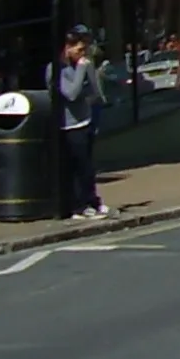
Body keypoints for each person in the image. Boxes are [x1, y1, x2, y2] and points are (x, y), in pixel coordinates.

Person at [52, 30, 107, 219]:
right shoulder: (56, 70)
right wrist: (82, 71)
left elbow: (94, 90)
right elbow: (72, 94)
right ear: (67, 48)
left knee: (88, 167)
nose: (82, 54)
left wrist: (89, 69)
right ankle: (79, 206)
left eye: (84, 50)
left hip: (86, 120)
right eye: (79, 49)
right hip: (70, 125)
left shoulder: (80, 65)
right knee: (78, 167)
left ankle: (92, 201)